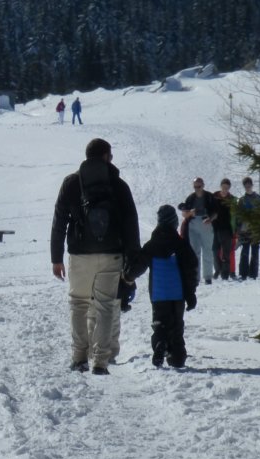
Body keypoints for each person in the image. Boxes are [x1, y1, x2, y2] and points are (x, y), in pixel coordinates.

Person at [50, 137, 141, 375]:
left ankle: (79, 357)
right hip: (111, 255)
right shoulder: (118, 185)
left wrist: (56, 257)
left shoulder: (71, 183)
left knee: (79, 304)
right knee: (105, 306)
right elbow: (131, 224)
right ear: (106, 156)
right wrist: (132, 260)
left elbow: (59, 221)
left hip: (80, 255)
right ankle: (100, 361)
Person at [125, 205, 200, 368]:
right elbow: (191, 268)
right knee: (177, 325)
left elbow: (139, 265)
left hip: (158, 293)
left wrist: (128, 276)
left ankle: (160, 342)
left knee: (160, 323)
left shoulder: (152, 245)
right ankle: (177, 357)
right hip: (178, 293)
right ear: (174, 223)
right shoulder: (181, 244)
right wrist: (191, 293)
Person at [178, 177, 219, 284]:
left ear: (203, 186)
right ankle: (195, 277)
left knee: (207, 251)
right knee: (194, 251)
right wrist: (189, 212)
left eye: (199, 186)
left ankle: (208, 277)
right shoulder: (191, 198)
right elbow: (185, 213)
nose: (197, 189)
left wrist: (210, 219)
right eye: (195, 187)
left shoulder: (209, 197)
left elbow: (216, 212)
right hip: (193, 224)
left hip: (206, 223)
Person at [236, 177, 260, 280]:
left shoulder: (259, 198)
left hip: (255, 228)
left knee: (255, 251)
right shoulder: (241, 200)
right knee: (245, 250)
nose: (248, 187)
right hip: (245, 229)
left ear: (252, 185)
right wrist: (238, 230)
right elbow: (238, 216)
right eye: (246, 186)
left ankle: (253, 273)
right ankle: (243, 273)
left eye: (249, 185)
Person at [212, 178, 236, 279]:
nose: (225, 189)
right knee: (215, 250)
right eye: (223, 186)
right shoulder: (214, 196)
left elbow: (234, 215)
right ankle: (218, 269)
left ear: (229, 188)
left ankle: (225, 274)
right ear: (221, 186)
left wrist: (234, 228)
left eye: (227, 187)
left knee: (226, 252)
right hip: (215, 228)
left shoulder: (232, 199)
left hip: (227, 228)